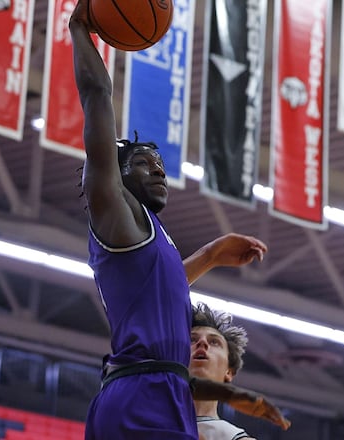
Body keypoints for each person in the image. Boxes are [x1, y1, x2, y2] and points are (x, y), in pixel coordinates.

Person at [69, 1, 288, 438]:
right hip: (140, 390)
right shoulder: (114, 211)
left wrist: (210, 254)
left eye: (161, 165)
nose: (159, 170)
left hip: (163, 390)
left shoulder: (149, 240)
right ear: (116, 173)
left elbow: (161, 292)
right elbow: (97, 97)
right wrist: (80, 29)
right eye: (145, 163)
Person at [190, 303, 257, 440]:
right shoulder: (144, 422)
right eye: (192, 339)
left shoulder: (234, 437)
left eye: (214, 342)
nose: (202, 342)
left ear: (228, 371)